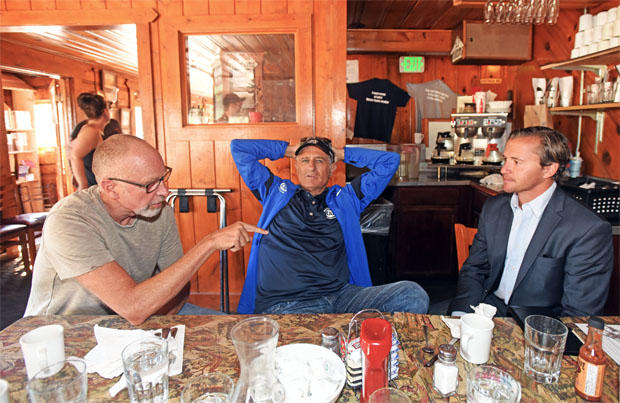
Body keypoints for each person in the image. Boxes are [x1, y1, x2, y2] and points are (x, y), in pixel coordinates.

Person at [25, 135, 266, 325]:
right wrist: (209, 243)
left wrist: (157, 323)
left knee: (244, 332)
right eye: (150, 184)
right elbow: (132, 306)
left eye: (163, 178)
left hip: (138, 320)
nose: (164, 191)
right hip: (63, 330)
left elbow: (179, 287)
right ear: (110, 188)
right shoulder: (69, 221)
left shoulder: (158, 211)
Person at [231, 137, 429, 314]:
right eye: (304, 160)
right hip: (288, 304)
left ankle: (348, 335)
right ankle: (340, 335)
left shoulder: (345, 199)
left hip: (340, 298)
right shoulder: (274, 192)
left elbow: (389, 162)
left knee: (412, 294)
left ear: (332, 168)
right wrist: (288, 150)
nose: (311, 167)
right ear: (296, 165)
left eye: (320, 160)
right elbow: (239, 149)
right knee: (316, 334)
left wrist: (342, 154)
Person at [449, 127, 613, 317]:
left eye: (516, 162)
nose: (504, 169)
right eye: (505, 159)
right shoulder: (495, 207)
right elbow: (475, 270)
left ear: (549, 169)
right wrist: (462, 316)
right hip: (487, 308)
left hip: (540, 324)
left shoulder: (587, 228)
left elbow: (578, 314)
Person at [68, 93, 110, 191]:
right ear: (105, 111)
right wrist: (83, 185)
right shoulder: (91, 131)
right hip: (92, 186)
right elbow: (75, 156)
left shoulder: (93, 130)